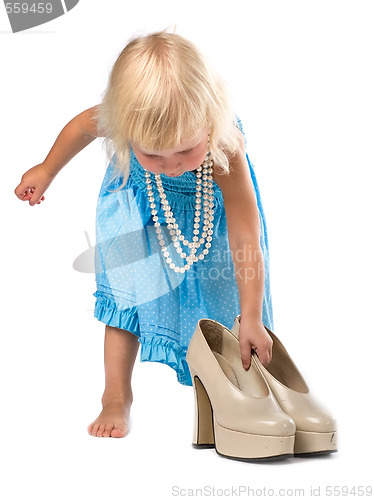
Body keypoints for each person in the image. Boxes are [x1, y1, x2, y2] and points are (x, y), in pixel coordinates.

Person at [14, 30, 274, 438]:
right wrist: (46, 169)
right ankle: (115, 395)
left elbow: (246, 234)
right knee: (125, 299)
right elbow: (80, 128)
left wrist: (254, 318)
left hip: (212, 227)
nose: (171, 165)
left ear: (208, 122)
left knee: (226, 310)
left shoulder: (224, 146)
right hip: (140, 214)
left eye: (186, 151)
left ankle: (230, 391)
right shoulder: (121, 119)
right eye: (152, 153)